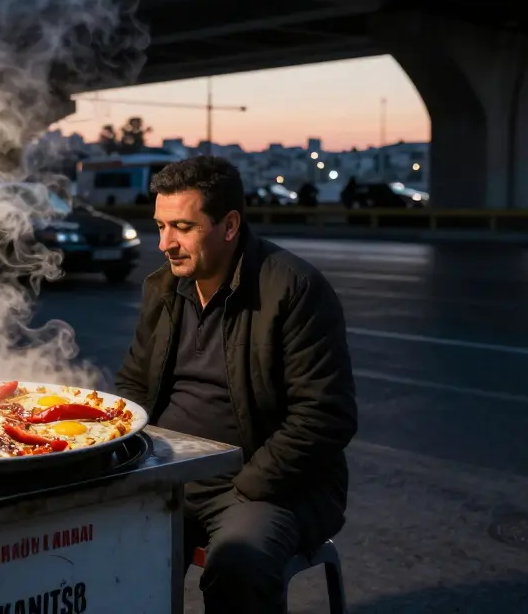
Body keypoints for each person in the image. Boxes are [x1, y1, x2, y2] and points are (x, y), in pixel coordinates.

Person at [115, 156, 357, 614]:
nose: (165, 243)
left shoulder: (294, 288)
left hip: (268, 485)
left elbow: (325, 416)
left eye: (183, 227)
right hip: (172, 474)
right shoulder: (164, 288)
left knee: (238, 565)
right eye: (161, 226)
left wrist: (248, 482)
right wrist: (122, 454)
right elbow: (133, 384)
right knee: (107, 548)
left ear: (229, 225)